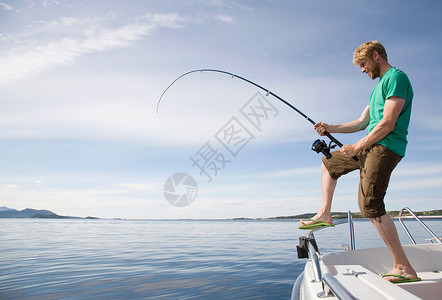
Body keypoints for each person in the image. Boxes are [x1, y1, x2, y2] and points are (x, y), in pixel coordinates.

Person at [299, 41, 420, 283]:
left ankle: (404, 267)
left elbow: (387, 124)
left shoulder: (396, 78)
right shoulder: (376, 90)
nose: (362, 70)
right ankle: (325, 214)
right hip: (369, 146)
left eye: (363, 64)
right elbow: (361, 123)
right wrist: (329, 127)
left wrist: (357, 146)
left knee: (370, 205)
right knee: (329, 163)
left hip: (385, 147)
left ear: (376, 56)